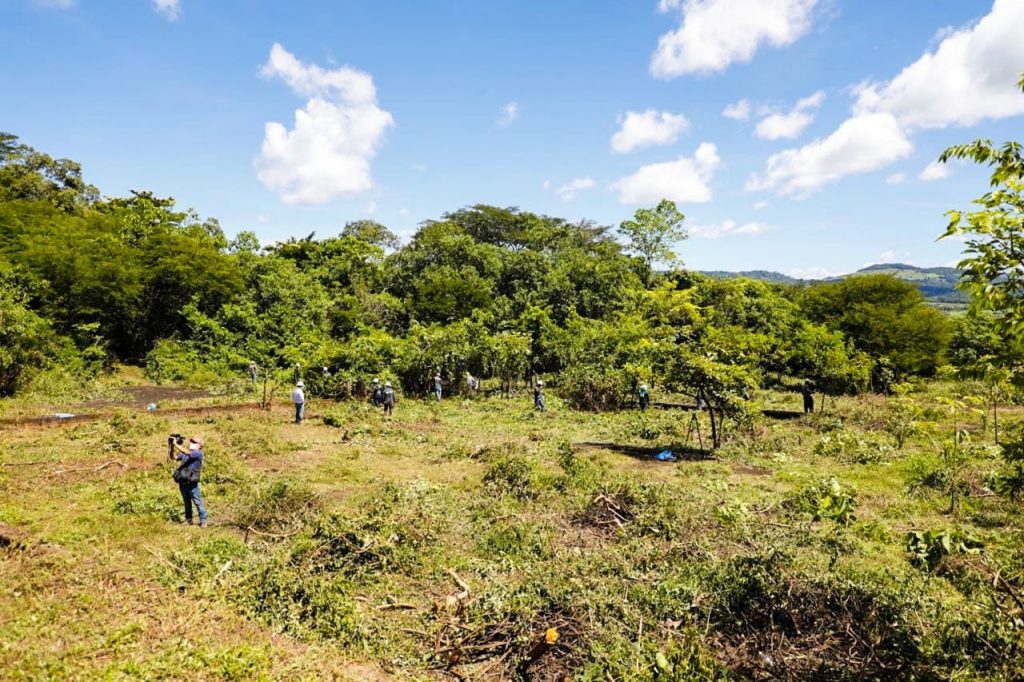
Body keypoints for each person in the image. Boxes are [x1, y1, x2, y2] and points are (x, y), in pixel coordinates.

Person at [170, 435, 208, 527]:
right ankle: (189, 520)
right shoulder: (186, 454)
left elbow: (186, 451)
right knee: (187, 503)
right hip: (183, 482)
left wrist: (176, 444)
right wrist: (172, 447)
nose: (192, 444)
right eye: (192, 442)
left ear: (200, 445)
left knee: (197, 502)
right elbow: (174, 457)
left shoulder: (198, 453)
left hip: (192, 483)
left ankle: (203, 521)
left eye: (194, 442)